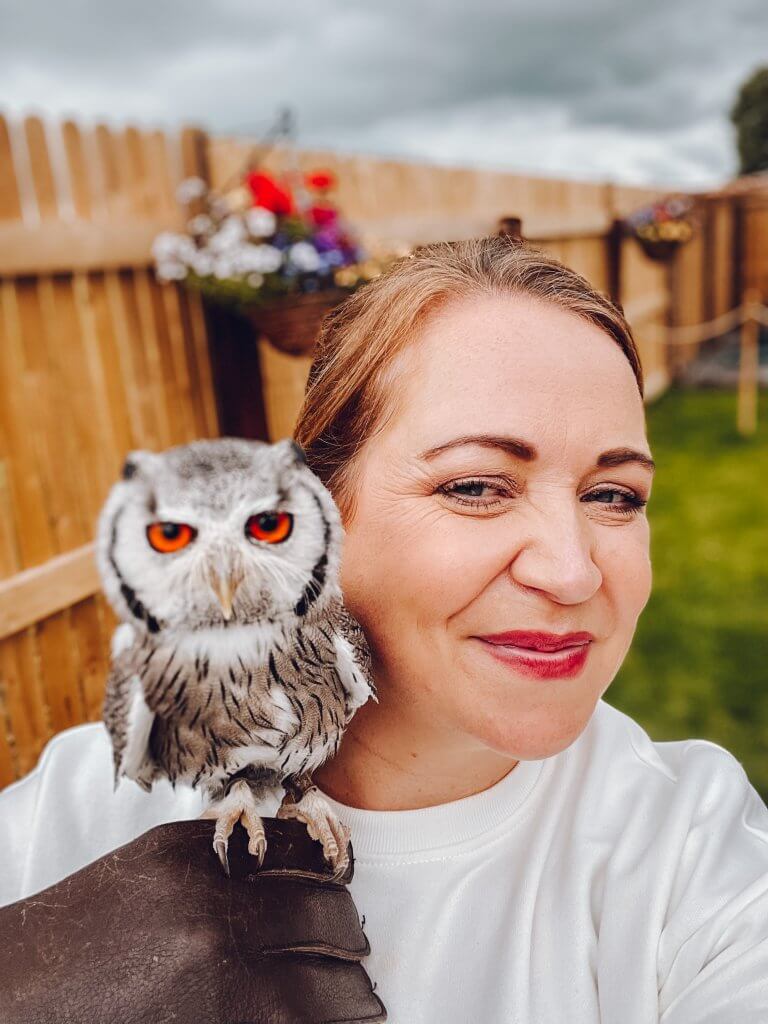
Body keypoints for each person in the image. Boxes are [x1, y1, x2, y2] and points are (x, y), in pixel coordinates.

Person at [2, 235, 767, 1022]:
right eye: (476, 486)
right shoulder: (88, 805)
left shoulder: (691, 851)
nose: (572, 573)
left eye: (615, 495)